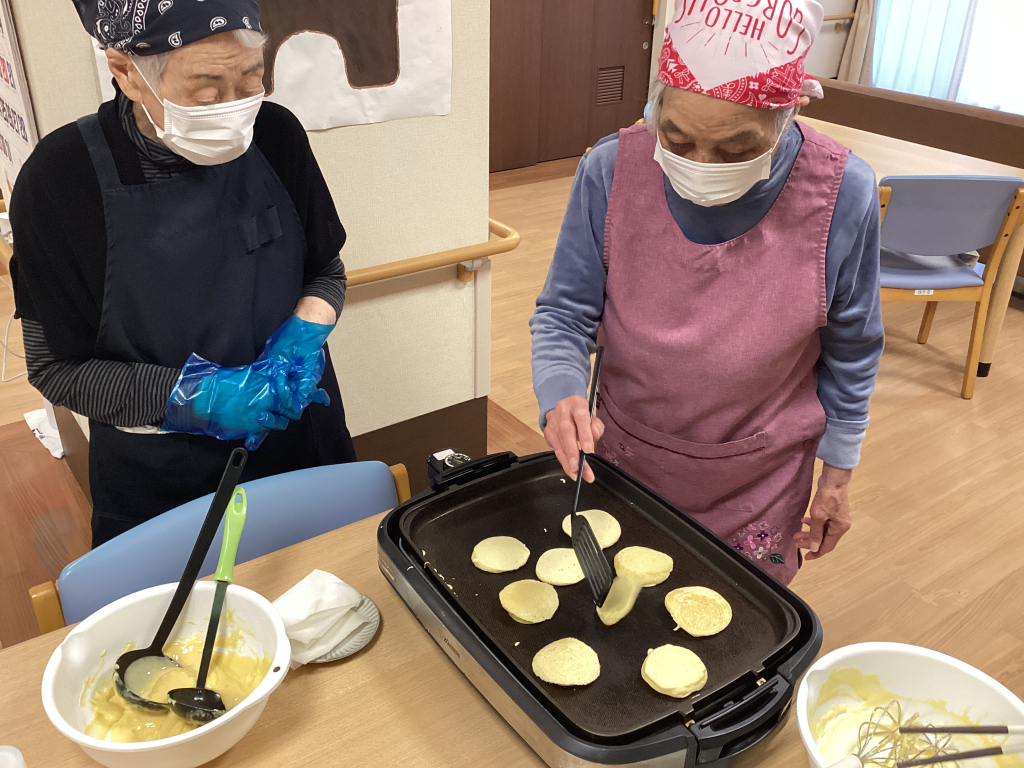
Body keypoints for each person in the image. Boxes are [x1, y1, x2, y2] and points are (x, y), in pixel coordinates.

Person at [531, 0, 883, 584]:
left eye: (736, 150)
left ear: (787, 116)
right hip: (628, 453)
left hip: (758, 480)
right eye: (676, 139)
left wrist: (838, 474)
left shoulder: (842, 192)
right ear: (656, 109)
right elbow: (564, 313)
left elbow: (853, 347)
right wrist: (560, 390)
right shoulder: (611, 169)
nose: (701, 165)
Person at [10, 0, 356, 547]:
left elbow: (325, 270)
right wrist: (197, 397)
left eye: (251, 78)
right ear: (126, 72)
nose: (236, 107)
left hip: (300, 443)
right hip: (163, 478)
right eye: (207, 90)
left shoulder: (276, 134)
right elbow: (56, 368)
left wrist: (305, 333)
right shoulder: (60, 181)